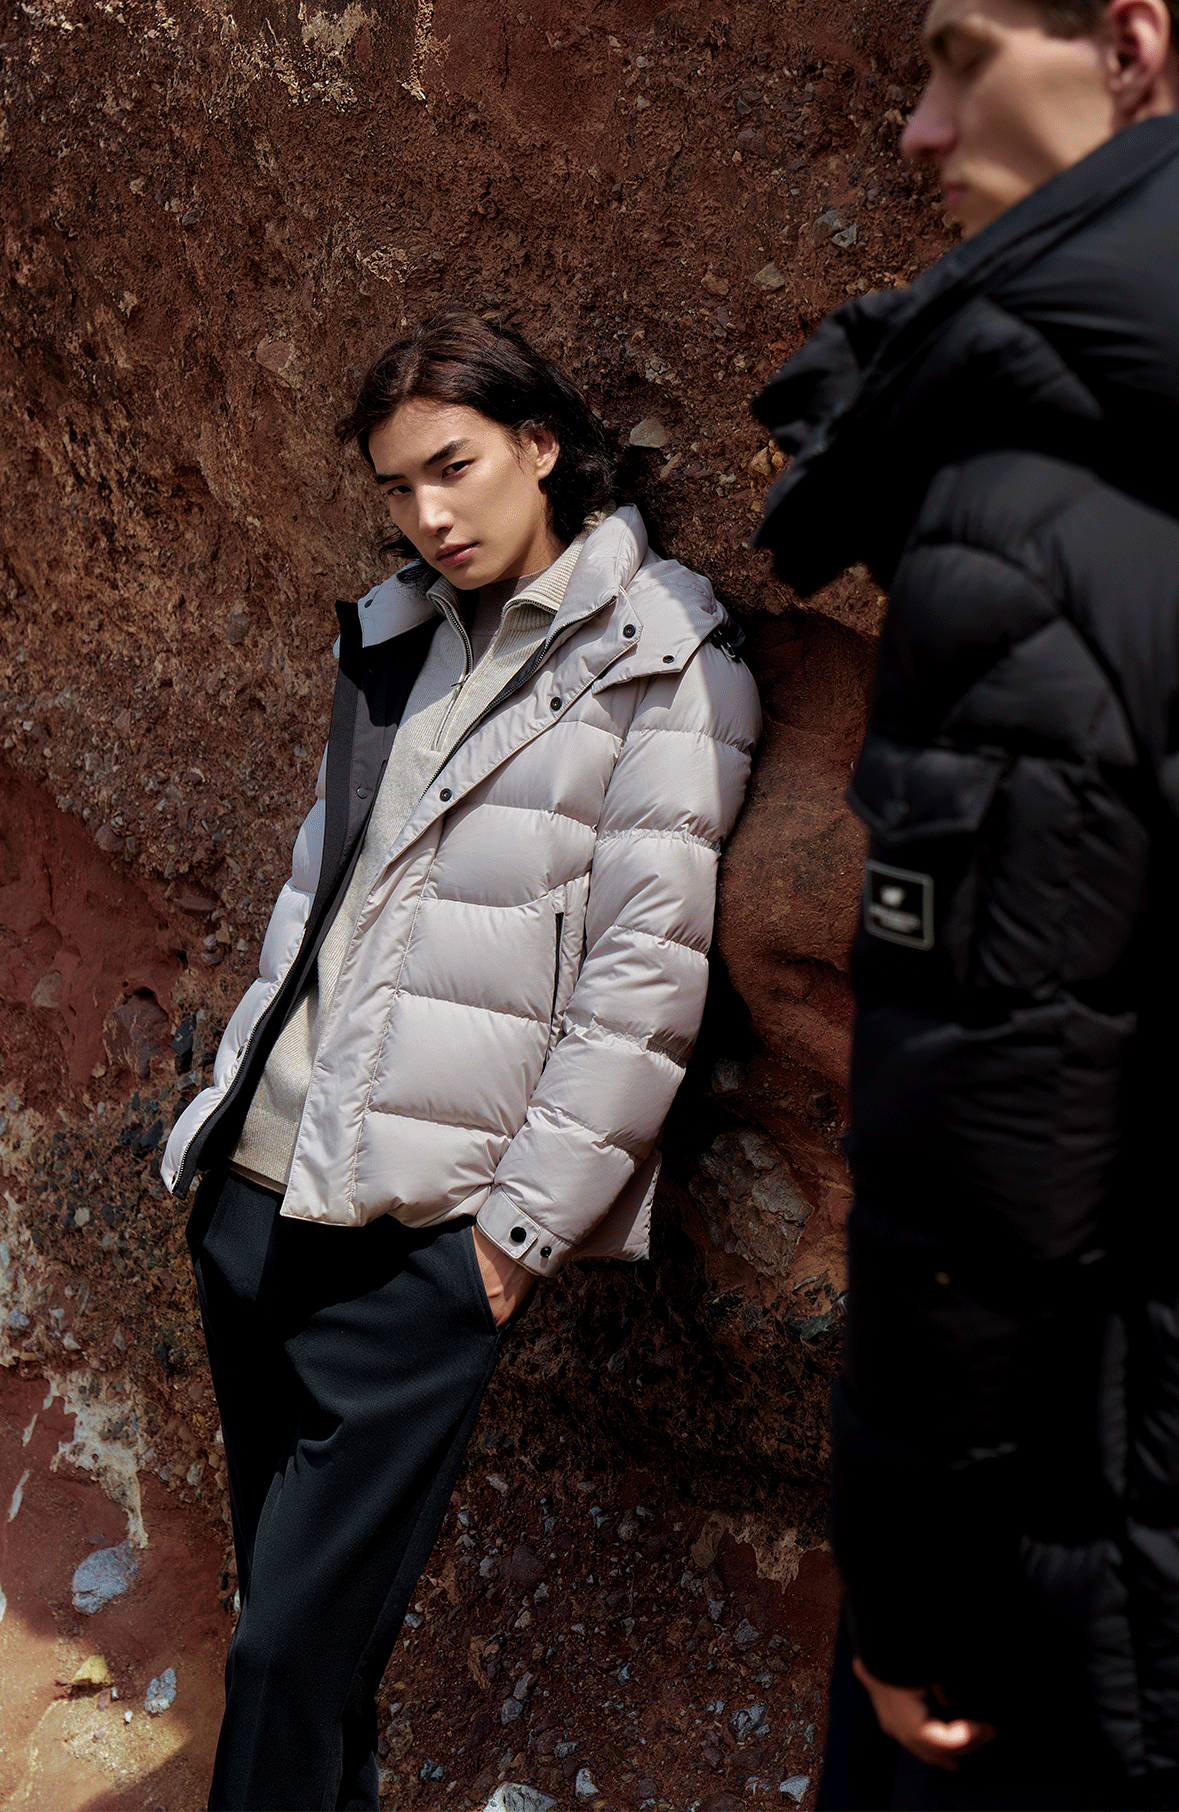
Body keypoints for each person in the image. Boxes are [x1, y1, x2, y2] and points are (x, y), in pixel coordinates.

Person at [161, 309, 760, 1811]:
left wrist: (511, 1241)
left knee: (284, 1660)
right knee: (305, 1651)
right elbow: (315, 897)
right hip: (256, 1196)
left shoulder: (664, 659)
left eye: (455, 466)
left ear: (539, 446)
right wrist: (221, 1113)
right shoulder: (400, 634)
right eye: (397, 487)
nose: (428, 515)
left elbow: (643, 985)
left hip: (422, 1245)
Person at [750, 1, 1179, 1806]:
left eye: (956, 58)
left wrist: (913, 1595)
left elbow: (984, 1136)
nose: (919, 128)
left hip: (1076, 1557)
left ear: (1131, 45)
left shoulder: (1028, 504)